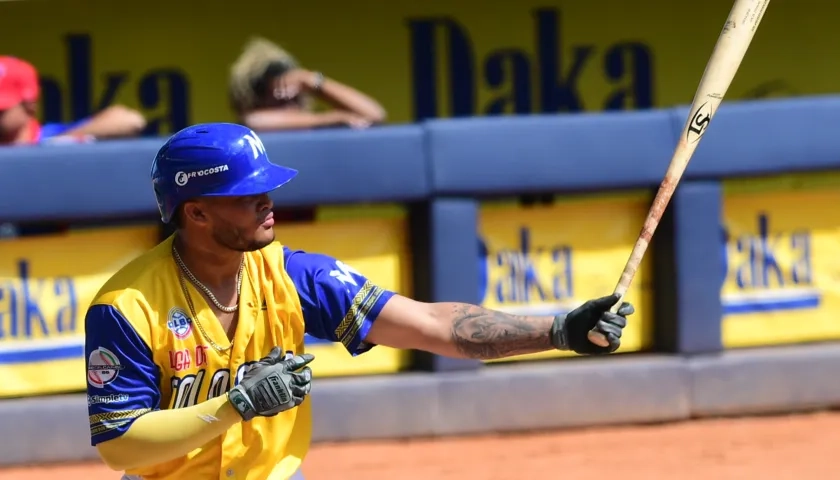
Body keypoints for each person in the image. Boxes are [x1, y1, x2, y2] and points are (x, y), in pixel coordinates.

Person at [84, 122, 633, 480]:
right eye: (246, 193)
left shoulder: (294, 276)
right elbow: (120, 445)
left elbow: (431, 325)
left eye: (266, 186)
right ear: (196, 213)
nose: (267, 201)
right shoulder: (127, 307)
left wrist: (559, 329)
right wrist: (236, 406)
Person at [228, 37, 387, 131]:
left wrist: (312, 81)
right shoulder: (252, 134)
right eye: (280, 101)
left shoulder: (319, 128)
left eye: (295, 99)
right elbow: (253, 121)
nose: (290, 107)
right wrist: (332, 118)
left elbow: (374, 114)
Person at [0, 55, 147, 146]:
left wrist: (55, 143)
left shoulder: (50, 136)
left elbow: (131, 120)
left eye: (2, 110)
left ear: (29, 106)